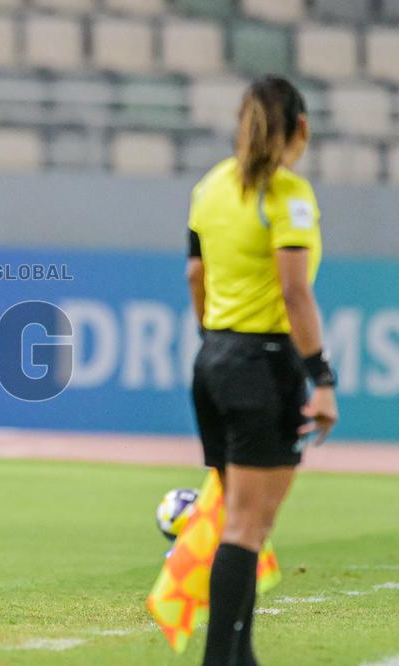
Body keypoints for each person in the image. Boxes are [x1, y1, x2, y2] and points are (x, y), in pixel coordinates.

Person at [186, 76, 338, 666]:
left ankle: (240, 656)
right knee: (248, 528)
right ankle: (223, 659)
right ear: (301, 127)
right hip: (264, 363)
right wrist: (321, 378)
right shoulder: (289, 194)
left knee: (237, 521)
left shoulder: (210, 186)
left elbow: (195, 277)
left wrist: (211, 339)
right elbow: (295, 292)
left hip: (214, 359)